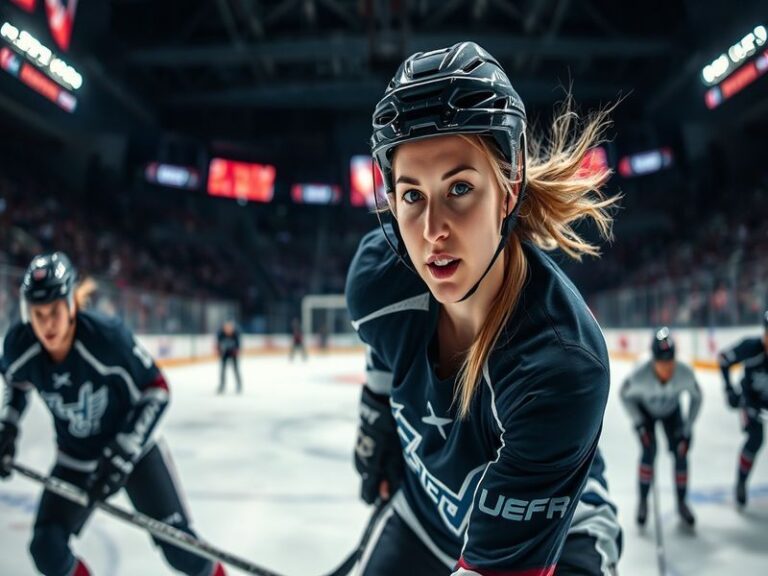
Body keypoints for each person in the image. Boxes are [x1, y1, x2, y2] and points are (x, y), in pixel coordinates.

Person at [348, 42, 622, 576]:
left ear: (508, 187)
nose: (431, 233)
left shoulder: (560, 366)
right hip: (428, 517)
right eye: (411, 195)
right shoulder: (378, 282)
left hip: (557, 543)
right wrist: (377, 417)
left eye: (459, 188)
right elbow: (384, 352)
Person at [0, 252, 225, 576]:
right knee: (47, 547)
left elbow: (157, 388)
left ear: (71, 305)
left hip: (135, 457)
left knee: (182, 551)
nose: (46, 324)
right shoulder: (21, 345)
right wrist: (8, 426)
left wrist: (124, 449)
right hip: (76, 461)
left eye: (54, 312)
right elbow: (15, 381)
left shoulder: (105, 338)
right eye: (37, 314)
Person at [620, 327, 702, 528]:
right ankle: (642, 502)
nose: (667, 368)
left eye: (670, 361)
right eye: (661, 363)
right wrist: (638, 422)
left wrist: (689, 427)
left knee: (681, 452)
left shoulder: (685, 372)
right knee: (648, 452)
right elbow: (624, 395)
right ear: (652, 360)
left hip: (672, 412)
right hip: (646, 411)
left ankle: (682, 503)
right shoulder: (639, 374)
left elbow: (697, 397)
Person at [718, 310, 768, 507]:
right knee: (755, 438)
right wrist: (729, 390)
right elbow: (724, 359)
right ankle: (741, 482)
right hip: (752, 402)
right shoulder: (751, 347)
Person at [217, 320, 242, 394]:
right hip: (224, 353)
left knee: (235, 369)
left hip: (233, 353)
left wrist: (236, 351)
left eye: (230, 328)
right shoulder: (220, 334)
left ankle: (238, 385)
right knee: (222, 370)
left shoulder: (236, 334)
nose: (228, 329)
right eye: (226, 327)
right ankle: (222, 385)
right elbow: (218, 345)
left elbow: (238, 346)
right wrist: (219, 351)